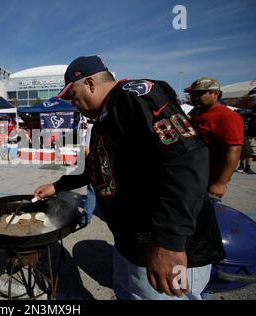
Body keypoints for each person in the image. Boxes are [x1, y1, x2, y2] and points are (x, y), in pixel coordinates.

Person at [34, 56, 224, 300]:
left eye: (73, 95)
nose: (73, 103)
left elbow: (185, 157)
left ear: (90, 82)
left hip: (165, 246)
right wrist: (58, 185)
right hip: (132, 246)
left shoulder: (133, 95)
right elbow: (96, 168)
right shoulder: (104, 118)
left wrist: (169, 241)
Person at [188, 77, 244, 199]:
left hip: (209, 178)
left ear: (215, 94)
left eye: (199, 94)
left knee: (206, 214)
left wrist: (220, 183)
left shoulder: (228, 116)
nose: (194, 98)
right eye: (192, 94)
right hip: (193, 174)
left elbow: (234, 150)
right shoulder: (197, 113)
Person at [235, 103, 255, 174]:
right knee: (250, 153)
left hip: (243, 135)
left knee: (244, 152)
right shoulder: (254, 117)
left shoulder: (245, 115)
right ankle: (248, 168)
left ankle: (241, 166)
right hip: (251, 136)